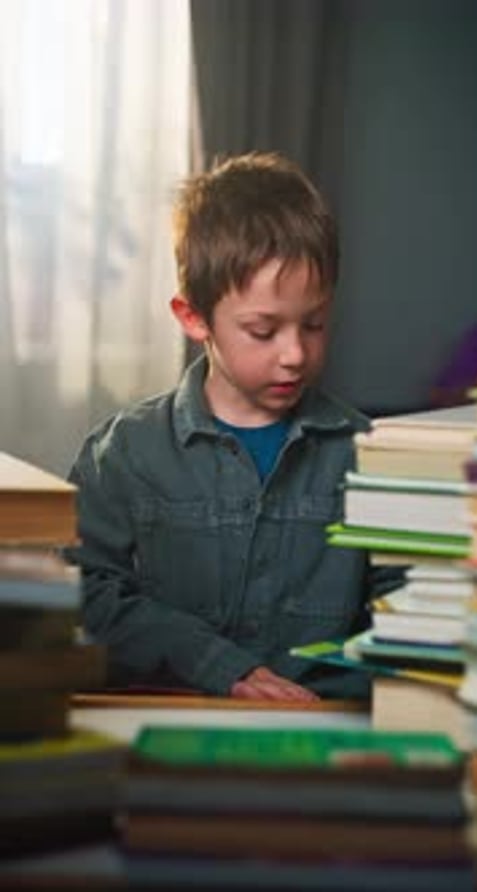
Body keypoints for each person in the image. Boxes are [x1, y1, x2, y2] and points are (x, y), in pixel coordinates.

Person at [68, 151, 392, 701]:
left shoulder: (371, 456)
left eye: (313, 324)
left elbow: (411, 611)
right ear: (194, 318)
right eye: (263, 331)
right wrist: (216, 665)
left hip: (325, 732)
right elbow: (82, 592)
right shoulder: (123, 453)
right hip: (176, 718)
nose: (295, 354)